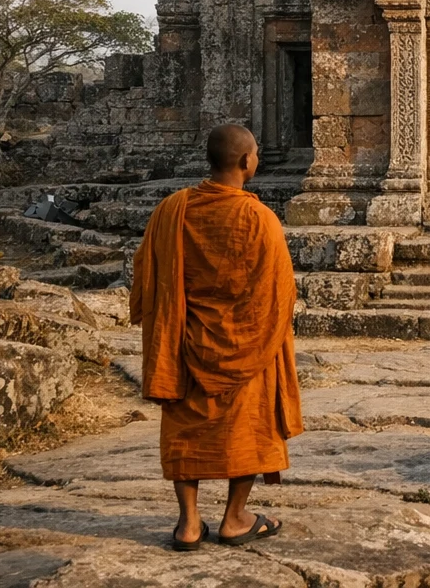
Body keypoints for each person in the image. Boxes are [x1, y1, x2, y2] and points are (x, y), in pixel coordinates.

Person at [130, 124, 303, 550]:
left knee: (186, 430)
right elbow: (280, 292)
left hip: (184, 341)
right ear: (246, 162)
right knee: (246, 426)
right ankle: (234, 518)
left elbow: (146, 275)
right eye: (256, 154)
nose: (257, 159)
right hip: (247, 342)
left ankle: (188, 524)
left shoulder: (172, 209)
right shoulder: (260, 218)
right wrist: (258, 334)